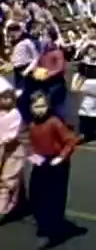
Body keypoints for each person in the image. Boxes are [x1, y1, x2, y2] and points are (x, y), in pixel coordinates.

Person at [27, 91, 80, 248]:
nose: (40, 110)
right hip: (41, 161)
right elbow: (30, 143)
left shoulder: (54, 122)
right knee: (36, 194)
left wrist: (61, 157)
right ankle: (43, 223)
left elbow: (70, 141)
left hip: (56, 163)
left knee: (54, 197)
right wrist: (32, 155)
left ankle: (52, 231)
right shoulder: (32, 124)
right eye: (36, 106)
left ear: (48, 106)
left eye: (43, 106)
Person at [71, 43, 96, 141]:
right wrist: (75, 86)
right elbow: (78, 75)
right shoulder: (84, 64)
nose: (92, 54)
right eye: (90, 53)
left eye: (94, 52)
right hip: (85, 89)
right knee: (84, 111)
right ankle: (84, 133)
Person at [0, 77, 27, 223]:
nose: (6, 101)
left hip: (12, 150)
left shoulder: (14, 114)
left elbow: (11, 136)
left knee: (8, 179)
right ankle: (20, 201)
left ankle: (3, 209)